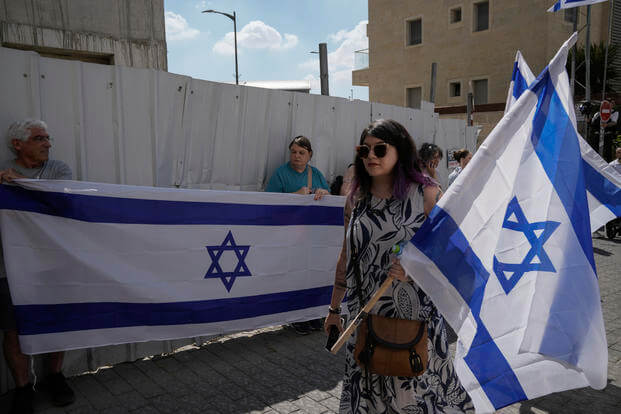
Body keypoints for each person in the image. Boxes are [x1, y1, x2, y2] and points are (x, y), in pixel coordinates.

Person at [324, 119, 473, 413]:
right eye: (364, 150)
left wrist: (414, 270)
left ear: (400, 151)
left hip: (414, 321)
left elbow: (455, 252)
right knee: (367, 395)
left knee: (414, 396)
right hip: (363, 317)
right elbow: (346, 255)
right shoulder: (356, 198)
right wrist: (333, 309)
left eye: (380, 149)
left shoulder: (426, 195)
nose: (371, 156)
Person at [1, 119, 75, 413]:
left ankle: (55, 376)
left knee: (56, 320)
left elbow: (61, 203)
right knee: (13, 329)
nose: (47, 143)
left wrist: (18, 183)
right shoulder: (2, 174)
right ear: (18, 144)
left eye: (48, 137)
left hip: (52, 261)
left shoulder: (58, 170)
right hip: (11, 264)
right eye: (39, 138)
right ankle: (23, 388)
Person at [265, 135, 330, 335]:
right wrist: (295, 196)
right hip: (287, 235)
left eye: (302, 153)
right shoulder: (280, 174)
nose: (297, 156)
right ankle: (295, 318)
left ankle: (312, 315)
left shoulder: (316, 174)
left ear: (309, 155)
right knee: (292, 276)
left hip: (310, 236)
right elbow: (268, 203)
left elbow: (328, 196)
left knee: (311, 274)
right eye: (293, 152)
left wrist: (323, 194)